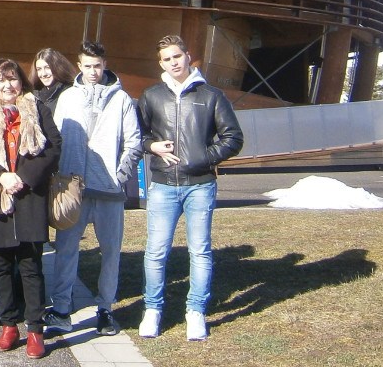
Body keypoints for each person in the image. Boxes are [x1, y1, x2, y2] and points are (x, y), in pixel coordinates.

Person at [138, 35, 243, 342]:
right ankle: (152, 310)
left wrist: (203, 158)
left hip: (200, 186)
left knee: (200, 251)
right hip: (163, 185)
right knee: (155, 252)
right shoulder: (151, 96)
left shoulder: (211, 95)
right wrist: (152, 146)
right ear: (161, 63)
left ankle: (195, 311)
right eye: (167, 59)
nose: (174, 62)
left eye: (177, 56)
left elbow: (233, 138)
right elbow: (139, 134)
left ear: (188, 56)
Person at [45, 43, 141, 337]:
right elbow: (56, 139)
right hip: (74, 190)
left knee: (110, 253)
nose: (92, 72)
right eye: (87, 66)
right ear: (79, 65)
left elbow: (134, 142)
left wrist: (118, 176)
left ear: (104, 64)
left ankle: (106, 309)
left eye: (97, 66)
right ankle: (62, 308)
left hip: (109, 191)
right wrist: (60, 177)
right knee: (65, 250)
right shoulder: (69, 98)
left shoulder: (122, 99)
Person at [0, 59, 61, 359]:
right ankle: (8, 325)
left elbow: (53, 147)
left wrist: (25, 176)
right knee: (2, 266)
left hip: (29, 196)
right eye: (1, 80)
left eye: (13, 79)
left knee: (32, 267)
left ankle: (35, 329)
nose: (8, 85)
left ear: (22, 81)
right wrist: (1, 176)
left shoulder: (38, 110)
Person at [30, 48, 78, 116]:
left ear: (58, 67)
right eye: (39, 69)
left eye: (47, 68)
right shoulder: (33, 95)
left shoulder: (70, 93)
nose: (43, 74)